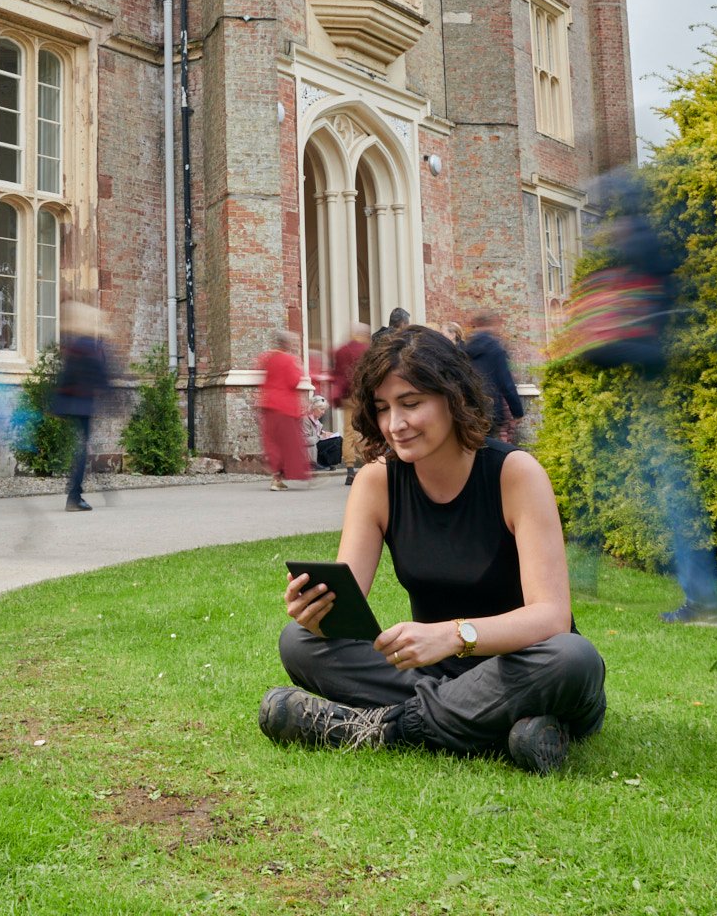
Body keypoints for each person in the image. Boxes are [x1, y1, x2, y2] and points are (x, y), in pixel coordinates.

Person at [259, 325, 606, 775]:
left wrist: (452, 635)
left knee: (572, 658)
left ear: (452, 396)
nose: (394, 425)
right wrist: (318, 612)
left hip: (521, 663)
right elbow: (349, 607)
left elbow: (551, 617)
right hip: (435, 674)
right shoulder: (377, 482)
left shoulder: (515, 474)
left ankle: (378, 729)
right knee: (300, 643)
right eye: (383, 408)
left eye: (411, 403)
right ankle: (505, 729)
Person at [560, 167, 717, 627]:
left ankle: (703, 602)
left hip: (647, 389)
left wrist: (597, 345)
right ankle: (582, 572)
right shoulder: (642, 253)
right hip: (640, 385)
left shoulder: (639, 252)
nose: (603, 231)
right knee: (618, 481)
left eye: (609, 217)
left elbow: (640, 336)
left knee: (671, 497)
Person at [51, 301, 112, 512]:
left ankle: (75, 491)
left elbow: (65, 377)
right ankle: (74, 496)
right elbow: (101, 378)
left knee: (80, 448)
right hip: (82, 406)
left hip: (71, 405)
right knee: (81, 451)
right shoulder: (88, 347)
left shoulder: (75, 346)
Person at [256, 330, 310, 491]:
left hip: (269, 404)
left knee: (273, 442)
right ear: (286, 344)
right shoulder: (288, 360)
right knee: (289, 443)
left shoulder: (268, 358)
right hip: (285, 406)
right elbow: (294, 381)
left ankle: (276, 477)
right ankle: (286, 476)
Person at [465, 311, 525, 444]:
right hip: (491, 408)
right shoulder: (495, 349)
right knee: (490, 447)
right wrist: (517, 412)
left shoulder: (465, 349)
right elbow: (506, 383)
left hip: (470, 407)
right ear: (490, 325)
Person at [331, 322, 371, 486]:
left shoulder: (342, 350)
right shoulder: (366, 351)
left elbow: (336, 373)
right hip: (362, 395)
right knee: (365, 429)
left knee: (348, 431)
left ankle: (349, 469)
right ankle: (368, 464)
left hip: (347, 396)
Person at [304, 393, 342, 471]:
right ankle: (315, 464)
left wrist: (326, 434)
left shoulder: (317, 422)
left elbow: (318, 434)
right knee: (336, 440)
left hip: (315, 447)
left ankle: (327, 463)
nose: (323, 412)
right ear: (313, 408)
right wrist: (321, 436)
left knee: (338, 439)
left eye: (324, 410)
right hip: (307, 451)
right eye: (321, 409)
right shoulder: (305, 420)